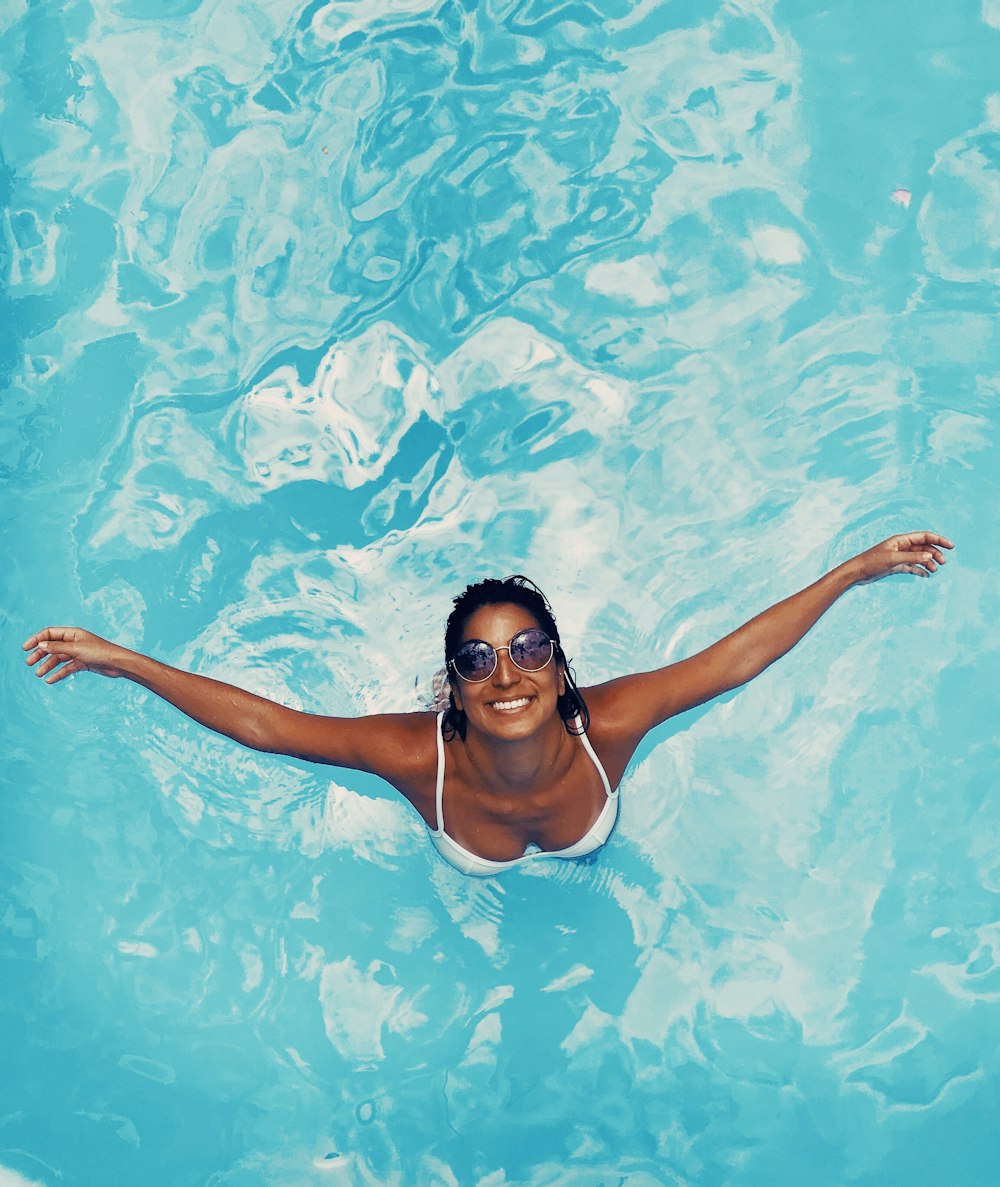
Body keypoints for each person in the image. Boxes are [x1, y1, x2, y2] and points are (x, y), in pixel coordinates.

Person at [22, 531, 953, 876]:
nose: (505, 674)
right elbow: (271, 726)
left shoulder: (612, 726)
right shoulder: (412, 755)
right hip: (460, 858)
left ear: (558, 668)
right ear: (453, 685)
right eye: (478, 658)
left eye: (526, 650)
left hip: (591, 843)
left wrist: (856, 571)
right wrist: (123, 661)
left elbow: (735, 659)